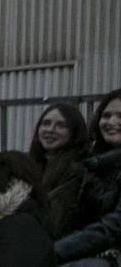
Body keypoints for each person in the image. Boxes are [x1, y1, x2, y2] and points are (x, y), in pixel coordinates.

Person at [55, 89, 121, 267]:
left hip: (112, 259)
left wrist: (54, 251)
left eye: (120, 116)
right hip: (99, 257)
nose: (111, 121)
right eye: (106, 115)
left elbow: (111, 227)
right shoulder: (93, 163)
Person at [28, 98, 90, 237]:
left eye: (61, 125)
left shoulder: (75, 170)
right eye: (46, 123)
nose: (50, 130)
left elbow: (56, 222)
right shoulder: (32, 165)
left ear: (75, 132)